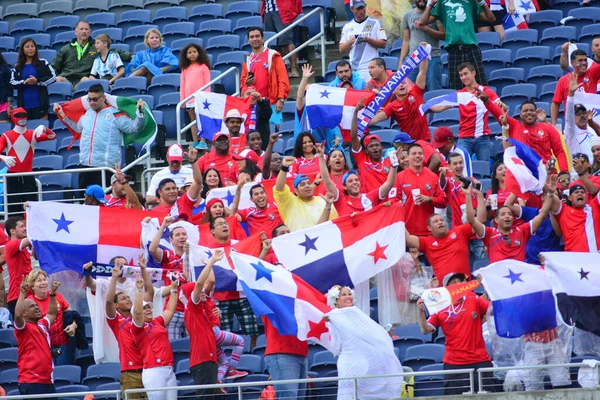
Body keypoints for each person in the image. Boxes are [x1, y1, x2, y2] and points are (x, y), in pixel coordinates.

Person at [54, 84, 145, 189]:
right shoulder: (86, 114)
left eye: (95, 99)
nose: (92, 102)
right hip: (85, 166)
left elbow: (134, 128)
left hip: (106, 168)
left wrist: (140, 114)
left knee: (105, 202)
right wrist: (63, 116)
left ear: (103, 98)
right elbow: (78, 129)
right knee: (86, 202)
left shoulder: (115, 114)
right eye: (89, 99)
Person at [417, 273, 494, 395]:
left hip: (480, 360)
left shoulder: (473, 298)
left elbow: (493, 310)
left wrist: (488, 288)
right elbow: (425, 329)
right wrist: (421, 313)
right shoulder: (440, 307)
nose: (456, 285)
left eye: (459, 281)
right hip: (454, 364)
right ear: (445, 289)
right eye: (452, 283)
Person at [324, 285, 403, 399]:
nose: (348, 297)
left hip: (364, 361)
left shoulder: (356, 313)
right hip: (349, 362)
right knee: (347, 394)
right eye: (343, 295)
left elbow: (368, 334)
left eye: (349, 294)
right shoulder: (334, 315)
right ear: (336, 300)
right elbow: (324, 317)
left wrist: (384, 334)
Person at [466, 184, 554, 263]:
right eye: (503, 214)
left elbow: (542, 215)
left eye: (510, 214)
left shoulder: (522, 231)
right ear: (496, 220)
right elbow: (472, 220)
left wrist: (550, 194)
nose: (507, 216)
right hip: (498, 279)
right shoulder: (490, 233)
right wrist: (467, 195)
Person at [420, 0, 495, 90]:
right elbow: (423, 22)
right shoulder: (442, 3)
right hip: (454, 50)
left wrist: (482, 2)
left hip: (471, 47)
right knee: (456, 86)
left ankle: (484, 103)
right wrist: (431, 4)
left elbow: (491, 19)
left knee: (481, 83)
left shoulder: (470, 2)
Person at [481, 96, 569, 172]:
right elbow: (497, 113)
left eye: (532, 110)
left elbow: (559, 151)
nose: (529, 112)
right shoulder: (515, 126)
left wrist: (564, 171)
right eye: (525, 110)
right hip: (524, 175)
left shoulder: (547, 128)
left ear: (536, 113)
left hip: (546, 173)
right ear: (520, 114)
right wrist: (487, 101)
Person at [432, 62, 498, 161]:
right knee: (459, 166)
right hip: (464, 138)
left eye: (465, 74)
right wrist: (425, 107)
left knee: (484, 169)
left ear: (473, 73)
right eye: (461, 75)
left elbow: (501, 107)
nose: (463, 77)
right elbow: (440, 107)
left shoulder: (486, 91)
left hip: (482, 138)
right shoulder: (460, 94)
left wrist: (501, 105)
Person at [405, 201, 484, 282]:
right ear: (429, 228)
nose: (440, 222)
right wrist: (397, 216)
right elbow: (408, 239)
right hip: (443, 291)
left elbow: (479, 221)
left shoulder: (459, 231)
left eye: (441, 220)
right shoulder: (426, 242)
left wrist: (479, 194)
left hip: (463, 287)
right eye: (435, 221)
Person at [180, 250, 221, 399]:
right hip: (202, 362)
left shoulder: (204, 310)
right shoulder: (193, 309)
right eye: (199, 291)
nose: (203, 291)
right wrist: (212, 262)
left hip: (210, 360)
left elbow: (209, 282)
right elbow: (199, 283)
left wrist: (208, 265)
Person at [0, 108, 56, 214]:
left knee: (31, 208)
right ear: (13, 117)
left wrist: (44, 128)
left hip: (27, 175)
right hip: (12, 177)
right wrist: (3, 157)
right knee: (13, 209)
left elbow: (52, 136)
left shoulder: (33, 134)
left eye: (24, 115)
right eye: (18, 115)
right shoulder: (6, 136)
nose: (22, 118)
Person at [131, 273, 179, 400]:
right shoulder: (138, 328)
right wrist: (139, 290)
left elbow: (170, 310)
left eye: (149, 307)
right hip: (153, 370)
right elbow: (137, 312)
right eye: (145, 308)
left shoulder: (157, 322)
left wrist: (174, 289)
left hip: (169, 368)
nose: (148, 310)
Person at [318, 142, 397, 216]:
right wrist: (321, 157)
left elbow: (389, 183)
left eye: (356, 180)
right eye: (350, 181)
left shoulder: (369, 197)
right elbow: (327, 181)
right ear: (344, 186)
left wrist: (394, 165)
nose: (354, 182)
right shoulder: (341, 200)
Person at [368, 53, 431, 142]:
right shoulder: (392, 106)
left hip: (425, 140)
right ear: (392, 91)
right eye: (397, 84)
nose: (401, 85)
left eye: (403, 83)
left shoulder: (415, 92)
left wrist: (424, 54)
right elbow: (377, 118)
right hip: (408, 143)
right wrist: (358, 123)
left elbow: (422, 72)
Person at [104, 262, 145, 399]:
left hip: (150, 370)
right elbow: (109, 301)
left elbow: (150, 293)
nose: (128, 299)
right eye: (123, 298)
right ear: (116, 305)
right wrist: (114, 278)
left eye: (128, 297)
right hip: (130, 373)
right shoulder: (116, 321)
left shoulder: (140, 317)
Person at [147, 216, 192, 340]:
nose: (182, 237)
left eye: (184, 234)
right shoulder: (168, 255)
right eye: (177, 235)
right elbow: (152, 249)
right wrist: (163, 227)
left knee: (194, 348)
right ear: (171, 241)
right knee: (173, 347)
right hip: (173, 311)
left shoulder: (195, 256)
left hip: (192, 310)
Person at [15, 275, 59, 395]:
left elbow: (52, 314)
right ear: (25, 313)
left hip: (48, 381)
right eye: (31, 306)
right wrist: (22, 293)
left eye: (36, 305)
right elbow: (17, 315)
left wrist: (53, 294)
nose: (36, 307)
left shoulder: (42, 325)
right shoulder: (22, 328)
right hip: (31, 381)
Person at [53, 21, 131, 86]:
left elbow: (110, 50)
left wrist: (130, 56)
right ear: (75, 32)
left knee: (86, 80)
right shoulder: (66, 49)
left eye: (86, 29)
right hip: (67, 80)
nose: (84, 31)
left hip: (83, 80)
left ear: (90, 32)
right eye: (81, 29)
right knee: (57, 79)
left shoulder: (96, 46)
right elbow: (55, 66)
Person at [240, 27, 290, 126]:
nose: (255, 39)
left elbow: (282, 78)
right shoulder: (248, 59)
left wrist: (281, 99)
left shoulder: (273, 55)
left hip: (272, 103)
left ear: (262, 38)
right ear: (248, 40)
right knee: (257, 137)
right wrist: (247, 83)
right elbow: (243, 84)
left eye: (257, 36)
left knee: (274, 134)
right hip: (254, 105)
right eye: (252, 37)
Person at [26, 269, 76, 366]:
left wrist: (73, 325)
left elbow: (71, 314)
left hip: (62, 345)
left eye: (44, 279)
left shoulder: (57, 295)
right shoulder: (29, 302)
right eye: (39, 280)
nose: (44, 282)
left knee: (63, 377)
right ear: (32, 286)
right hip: (41, 348)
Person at [395, 144, 447, 236]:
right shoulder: (399, 177)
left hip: (429, 231)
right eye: (414, 153)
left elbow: (443, 202)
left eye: (420, 153)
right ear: (408, 157)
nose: (417, 156)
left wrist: (429, 199)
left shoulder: (432, 176)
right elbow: (393, 202)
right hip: (407, 232)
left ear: (424, 157)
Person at [274, 156, 338, 231]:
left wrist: (327, 206)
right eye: (302, 184)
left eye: (308, 183)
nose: (307, 186)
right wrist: (284, 167)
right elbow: (279, 189)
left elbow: (333, 226)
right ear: (296, 191)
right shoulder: (290, 203)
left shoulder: (323, 201)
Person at [399, 0, 444, 91]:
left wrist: (426, 28)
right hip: (413, 58)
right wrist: (401, 61)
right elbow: (406, 40)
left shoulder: (434, 14)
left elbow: (443, 35)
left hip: (432, 57)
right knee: (410, 91)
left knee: (433, 91)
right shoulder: (407, 15)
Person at [339, 0, 387, 82]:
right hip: (354, 68)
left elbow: (383, 44)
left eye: (363, 8)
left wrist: (369, 40)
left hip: (371, 68)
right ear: (352, 9)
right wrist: (350, 42)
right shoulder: (347, 26)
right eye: (358, 9)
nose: (361, 11)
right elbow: (341, 49)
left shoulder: (375, 22)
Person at [9, 37, 56, 120]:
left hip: (41, 104)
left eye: (32, 46)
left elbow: (53, 77)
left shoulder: (43, 62)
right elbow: (12, 82)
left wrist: (37, 82)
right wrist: (24, 82)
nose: (30, 49)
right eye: (27, 47)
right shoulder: (18, 66)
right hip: (24, 105)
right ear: (22, 49)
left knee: (42, 130)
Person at [150, 147, 202, 221]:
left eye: (174, 188)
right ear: (160, 192)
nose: (172, 191)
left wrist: (192, 162)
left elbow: (198, 182)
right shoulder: (154, 211)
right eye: (168, 189)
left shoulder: (184, 202)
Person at [555, 45, 600, 125]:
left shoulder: (593, 73)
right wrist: (553, 123)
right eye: (580, 60)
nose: (584, 63)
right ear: (572, 63)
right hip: (573, 124)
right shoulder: (563, 80)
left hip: (592, 122)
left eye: (585, 60)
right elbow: (556, 102)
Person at [551, 183, 600, 252]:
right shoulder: (563, 210)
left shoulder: (595, 206)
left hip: (596, 257)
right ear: (570, 198)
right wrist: (550, 192)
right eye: (576, 192)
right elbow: (551, 199)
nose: (580, 194)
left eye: (582, 192)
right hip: (573, 258)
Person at [179, 43, 211, 148]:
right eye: (189, 52)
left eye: (194, 52)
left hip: (201, 97)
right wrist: (182, 99)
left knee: (201, 119)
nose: (192, 54)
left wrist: (206, 96)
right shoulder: (185, 68)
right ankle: (195, 140)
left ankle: (203, 140)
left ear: (199, 53)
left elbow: (207, 83)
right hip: (189, 98)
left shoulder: (203, 67)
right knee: (193, 120)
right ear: (186, 55)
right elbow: (182, 84)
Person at [564, 73, 600, 161]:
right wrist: (571, 94)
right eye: (578, 114)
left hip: (595, 171)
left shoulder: (591, 130)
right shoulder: (571, 131)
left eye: (583, 113)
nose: (582, 116)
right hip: (579, 172)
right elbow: (569, 115)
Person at [261, 0, 302, 77]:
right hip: (268, 12)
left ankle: (294, 69)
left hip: (282, 12)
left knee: (286, 41)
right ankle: (281, 70)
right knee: (273, 43)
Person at [4, 216, 33, 318]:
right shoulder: (11, 245)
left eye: (24, 226)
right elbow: (31, 238)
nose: (25, 228)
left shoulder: (24, 247)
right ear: (13, 231)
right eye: (21, 226)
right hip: (17, 296)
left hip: (29, 294)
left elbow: (37, 256)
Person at [0, 51, 11, 122]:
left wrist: (9, 105)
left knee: (3, 130)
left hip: (3, 104)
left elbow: (9, 87)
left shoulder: (4, 68)